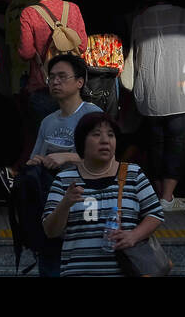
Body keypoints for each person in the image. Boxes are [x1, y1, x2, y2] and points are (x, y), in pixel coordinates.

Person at [41, 111, 164, 277]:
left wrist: (133, 236)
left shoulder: (133, 174)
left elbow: (155, 214)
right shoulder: (65, 179)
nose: (105, 140)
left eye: (111, 135)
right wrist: (65, 204)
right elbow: (50, 231)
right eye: (96, 135)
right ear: (82, 141)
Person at [121, 0, 185, 213]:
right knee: (177, 144)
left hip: (151, 93)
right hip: (182, 92)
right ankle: (167, 197)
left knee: (155, 144)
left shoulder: (140, 19)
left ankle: (159, 196)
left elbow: (134, 54)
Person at [22, 52, 101, 276]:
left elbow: (107, 160)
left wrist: (67, 157)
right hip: (53, 204)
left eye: (62, 76)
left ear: (79, 82)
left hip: (86, 206)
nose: (55, 81)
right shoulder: (48, 120)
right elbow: (33, 157)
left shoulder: (92, 115)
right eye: (52, 77)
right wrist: (36, 161)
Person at [18, 0, 87, 127]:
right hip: (72, 87)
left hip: (43, 85)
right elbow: (82, 46)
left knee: (46, 141)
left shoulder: (29, 13)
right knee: (72, 138)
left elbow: (26, 53)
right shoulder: (73, 8)